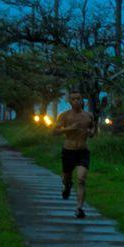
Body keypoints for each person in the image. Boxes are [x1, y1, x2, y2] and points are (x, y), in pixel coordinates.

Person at [52, 90, 96, 219]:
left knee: (81, 179)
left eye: (79, 99)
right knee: (66, 178)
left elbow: (93, 129)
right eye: (74, 99)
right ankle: (67, 186)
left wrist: (91, 132)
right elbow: (54, 131)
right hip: (68, 150)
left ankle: (79, 208)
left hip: (83, 151)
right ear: (69, 101)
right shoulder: (64, 116)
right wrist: (68, 129)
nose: (77, 101)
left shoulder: (88, 115)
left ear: (82, 100)